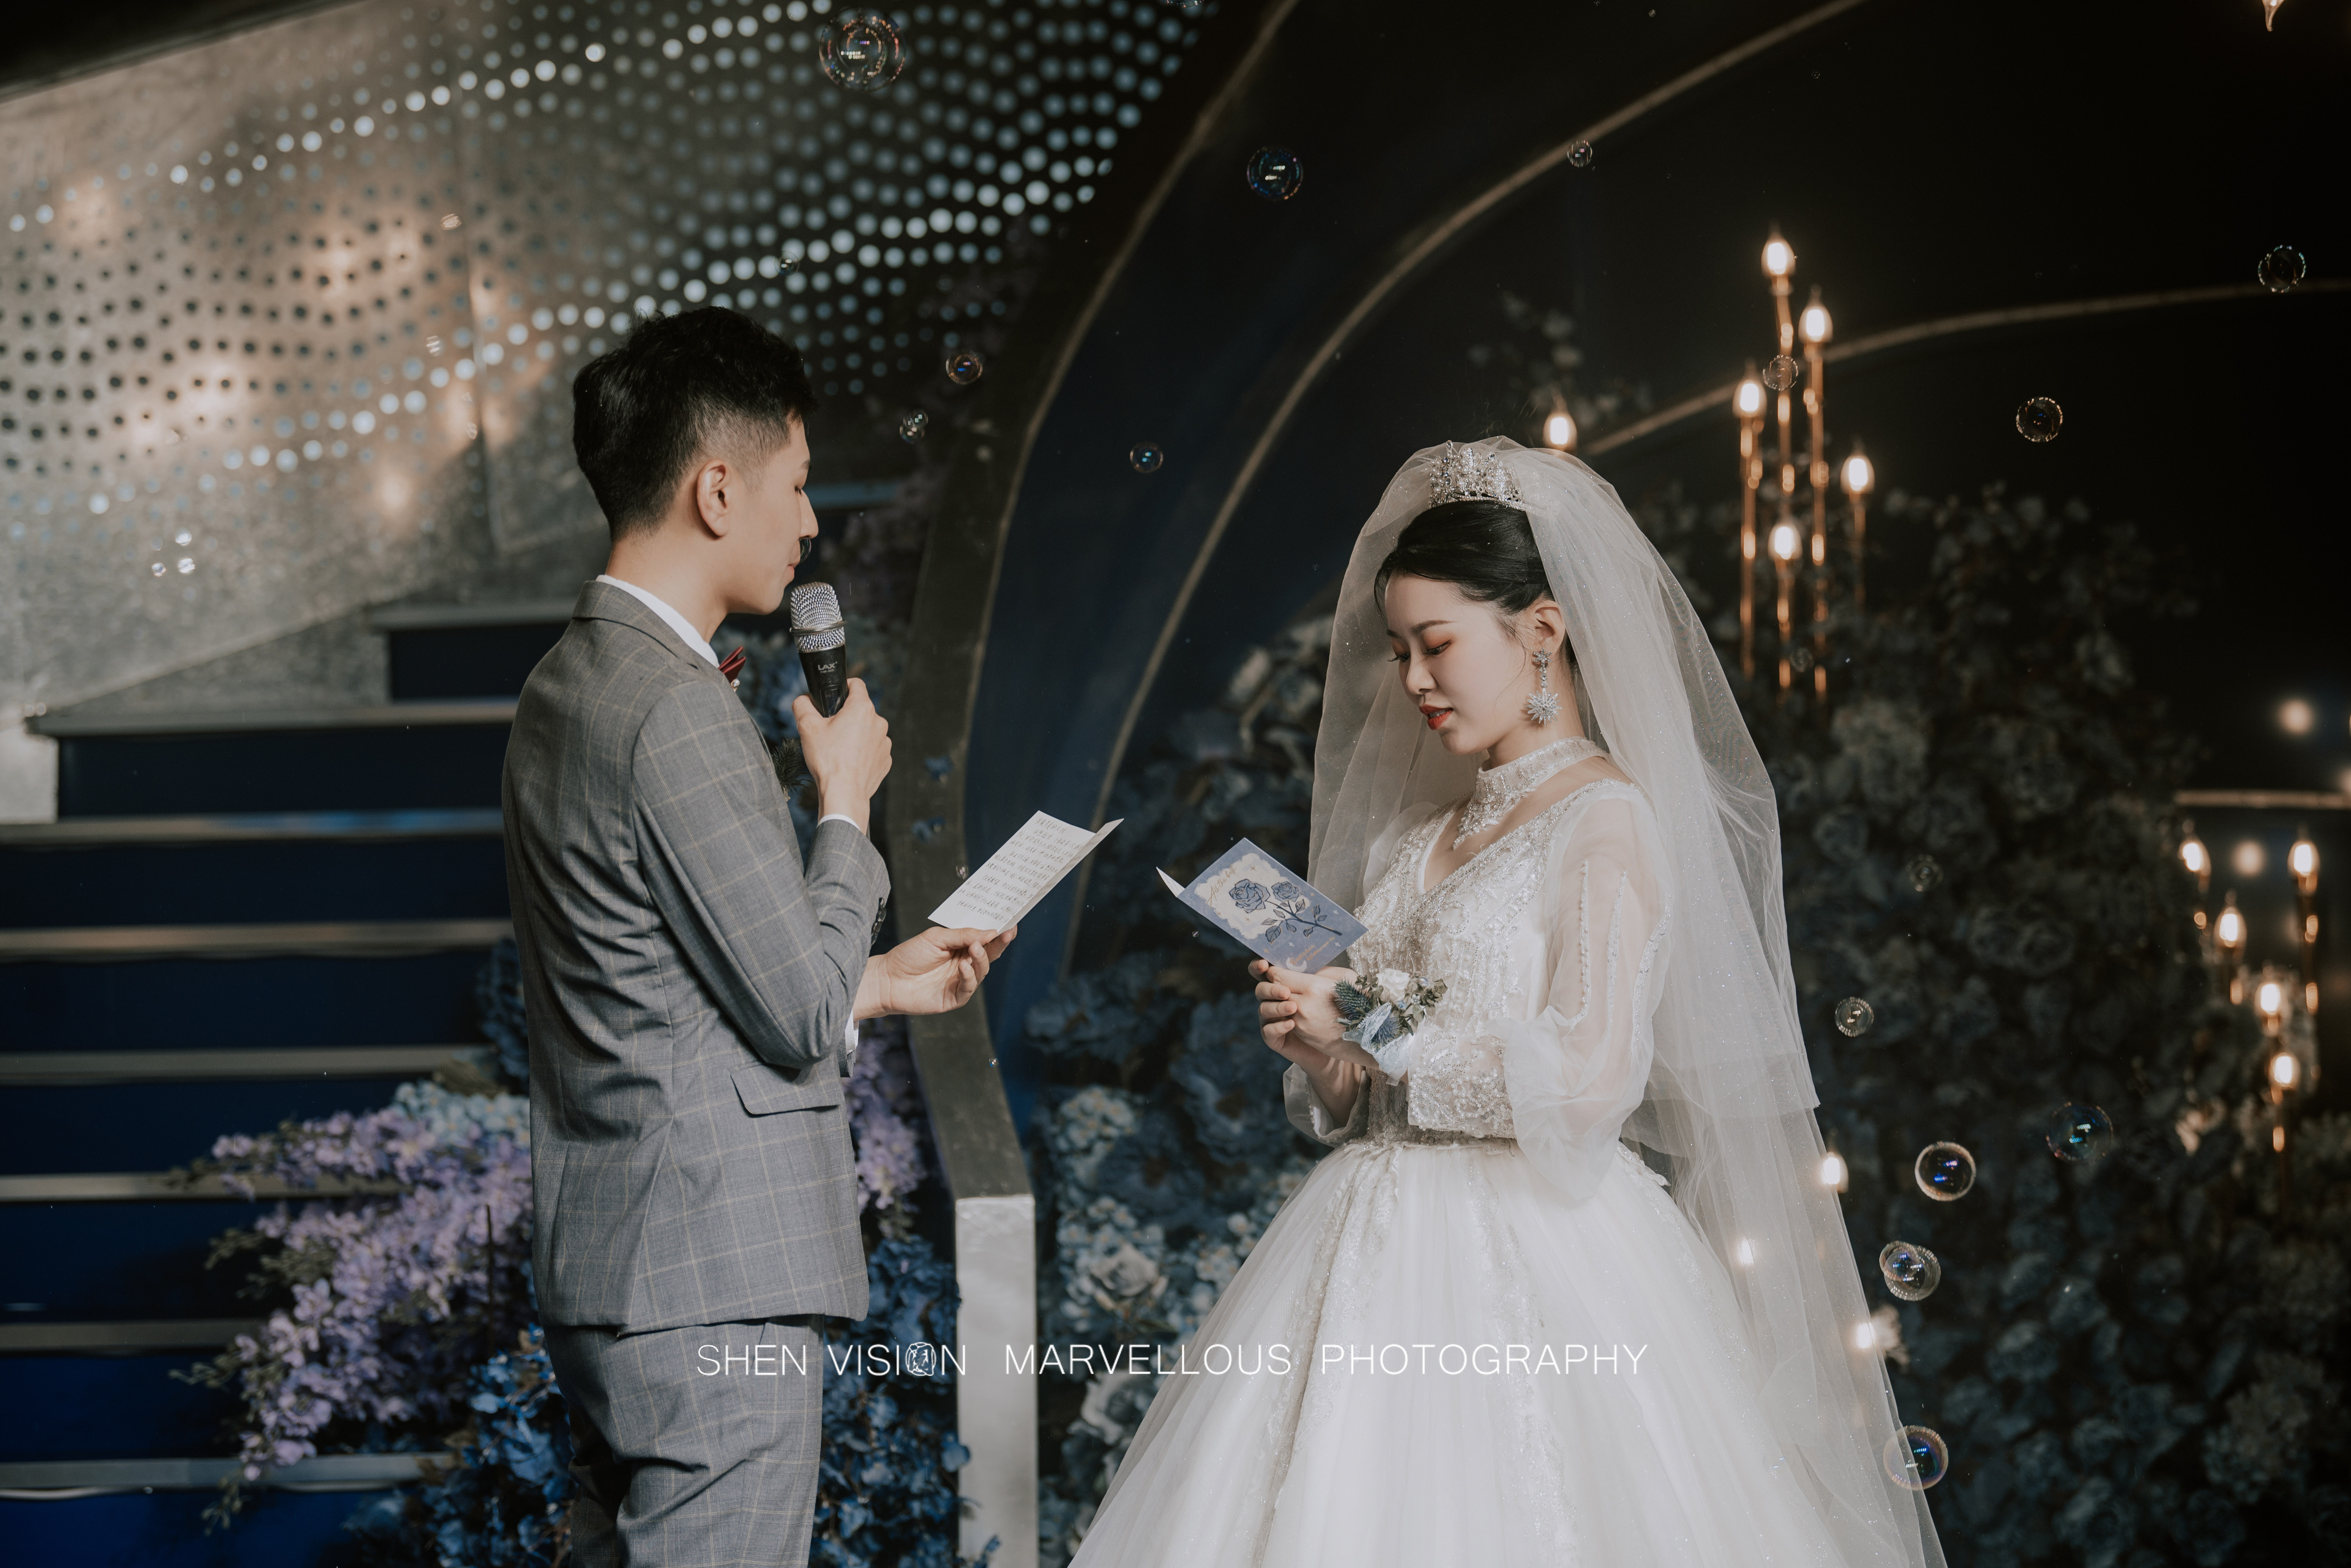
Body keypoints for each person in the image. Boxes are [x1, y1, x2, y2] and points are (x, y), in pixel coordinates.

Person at [1065, 438, 1948, 1567]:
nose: (1413, 681)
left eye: (1437, 644)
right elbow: (1372, 1089)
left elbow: (1587, 1084)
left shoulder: (1606, 821)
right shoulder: (1412, 839)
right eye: (1399, 652)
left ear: (1541, 630)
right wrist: (1323, 1054)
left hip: (1538, 1261)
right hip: (1363, 1244)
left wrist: (1367, 1024)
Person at [502, 306, 1015, 1568]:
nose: (812, 522)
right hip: (710, 1281)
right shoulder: (673, 709)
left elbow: (656, 986)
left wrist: (872, 985)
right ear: (718, 490)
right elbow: (789, 1011)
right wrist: (844, 802)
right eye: (796, 484)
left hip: (625, 1268)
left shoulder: (567, 683)